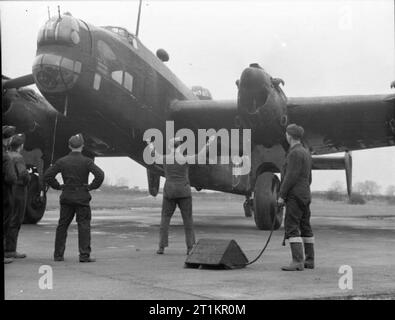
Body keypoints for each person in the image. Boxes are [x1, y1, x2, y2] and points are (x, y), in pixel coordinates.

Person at [147, 135, 216, 255]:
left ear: (169, 147)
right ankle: (190, 247)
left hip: (169, 192)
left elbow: (153, 155)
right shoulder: (184, 159)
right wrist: (209, 143)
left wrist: (149, 143)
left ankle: (161, 247)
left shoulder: (165, 159)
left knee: (165, 219)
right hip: (184, 192)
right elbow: (201, 155)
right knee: (188, 220)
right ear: (180, 147)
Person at [44, 134, 104, 262]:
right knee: (84, 226)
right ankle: (84, 255)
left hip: (67, 195)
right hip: (82, 196)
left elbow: (48, 175)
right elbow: (100, 174)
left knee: (62, 225)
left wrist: (58, 186)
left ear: (69, 146)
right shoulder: (87, 161)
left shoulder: (62, 161)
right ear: (82, 146)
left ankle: (58, 255)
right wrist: (91, 186)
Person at [278, 124, 314, 271]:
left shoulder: (293, 153)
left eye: (286, 134)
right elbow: (309, 177)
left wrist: (282, 195)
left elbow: (290, 176)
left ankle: (297, 261)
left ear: (289, 136)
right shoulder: (305, 152)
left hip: (295, 195)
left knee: (292, 226)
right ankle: (310, 260)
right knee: (306, 227)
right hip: (305, 193)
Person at [5, 134, 31, 259]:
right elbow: (23, 174)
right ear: (21, 146)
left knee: (7, 218)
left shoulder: (6, 155)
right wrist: (28, 179)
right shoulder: (18, 157)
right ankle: (10, 249)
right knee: (16, 219)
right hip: (18, 190)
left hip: (7, 189)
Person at [2, 126, 18, 264]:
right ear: (9, 139)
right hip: (5, 194)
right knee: (5, 222)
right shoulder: (5, 157)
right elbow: (11, 178)